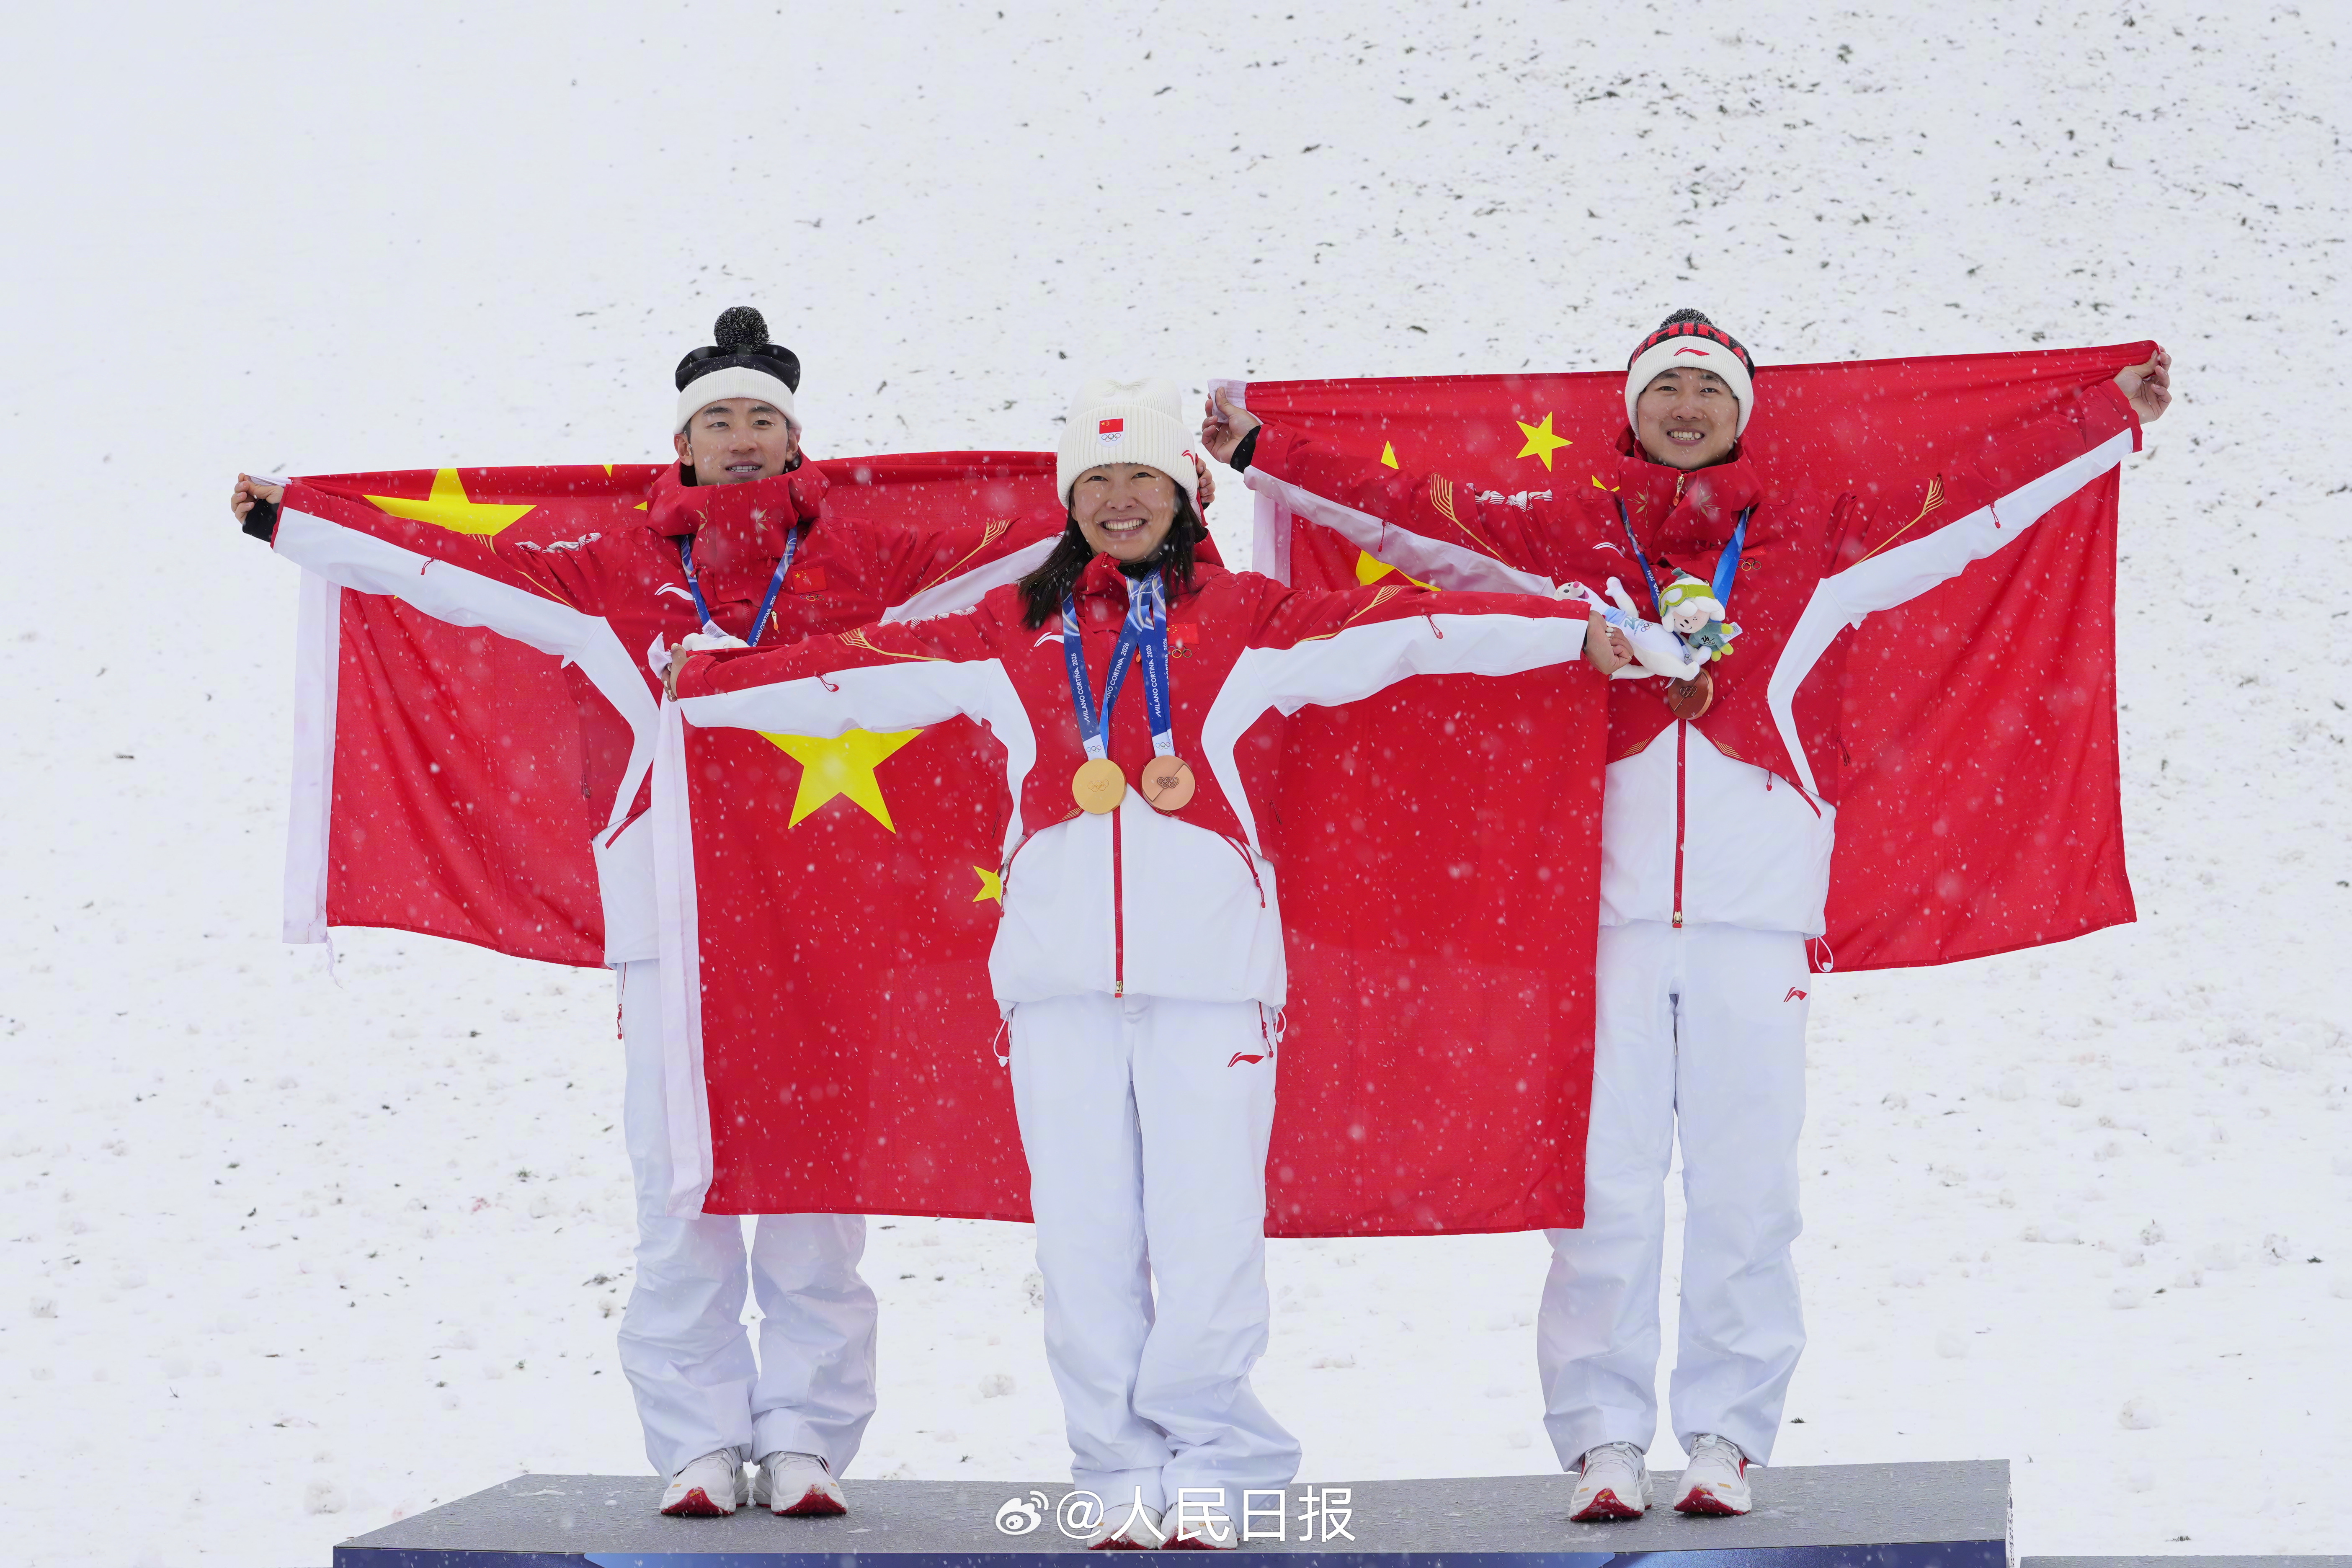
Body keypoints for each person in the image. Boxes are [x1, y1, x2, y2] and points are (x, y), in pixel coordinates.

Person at [1200, 312, 2172, 1521]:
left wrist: (2105, 415)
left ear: (1741, 415)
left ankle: (1727, 1436)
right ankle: (1604, 1440)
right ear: (1633, 411)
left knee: (1746, 1190)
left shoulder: (1819, 538)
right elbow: (1416, 519)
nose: (1687, 408)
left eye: (1709, 391)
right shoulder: (1565, 539)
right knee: (1601, 1190)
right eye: (1666, 390)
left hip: (1754, 918)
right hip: (1599, 919)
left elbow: (1971, 499)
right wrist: (1267, 451)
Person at [668, 377, 1596, 1549]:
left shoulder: (1252, 619)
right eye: (1096, 482)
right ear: (1069, 503)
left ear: (1184, 496)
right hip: (1058, 988)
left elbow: (1413, 630)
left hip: (1212, 985)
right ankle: (1112, 1466)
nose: (1119, 500)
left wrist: (1573, 631)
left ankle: (1220, 1462)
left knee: (1209, 1237)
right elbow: (854, 672)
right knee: (1084, 1245)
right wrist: (708, 685)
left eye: (1143, 478)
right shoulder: (1009, 628)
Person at [229, 308, 1066, 1518]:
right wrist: (299, 521)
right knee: (680, 1193)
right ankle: (696, 1442)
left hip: (828, 914)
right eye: (719, 420)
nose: (743, 438)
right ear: (683, 443)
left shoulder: (864, 560)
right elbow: (452, 568)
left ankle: (808, 1440)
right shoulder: (614, 569)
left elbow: (1014, 555)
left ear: (795, 439)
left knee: (818, 1194)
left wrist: (1130, 488)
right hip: (674, 917)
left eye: (763, 419)